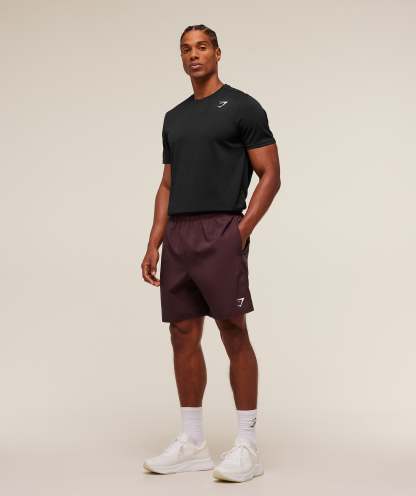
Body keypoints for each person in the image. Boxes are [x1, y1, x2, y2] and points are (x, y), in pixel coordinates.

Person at [141, 24, 281, 483]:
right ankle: (193, 443)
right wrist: (154, 239)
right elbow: (167, 183)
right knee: (182, 332)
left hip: (220, 228)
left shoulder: (242, 106)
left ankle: (247, 445)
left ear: (218, 53)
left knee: (232, 330)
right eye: (186, 49)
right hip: (179, 234)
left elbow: (271, 174)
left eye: (202, 47)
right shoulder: (174, 117)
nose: (193, 55)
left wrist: (240, 232)